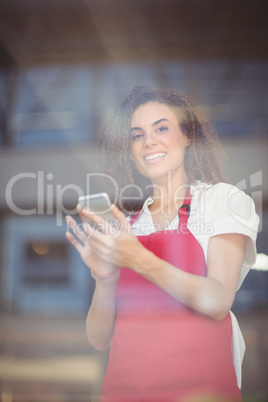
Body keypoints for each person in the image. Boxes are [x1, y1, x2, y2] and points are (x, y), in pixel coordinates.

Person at [66, 86, 259, 402]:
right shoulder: (127, 228)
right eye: (136, 135)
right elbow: (98, 338)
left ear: (187, 136)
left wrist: (138, 258)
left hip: (200, 391)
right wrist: (105, 278)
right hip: (123, 391)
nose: (148, 141)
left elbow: (217, 300)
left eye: (162, 128)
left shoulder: (220, 200)